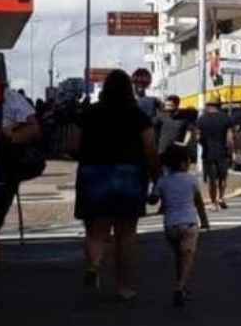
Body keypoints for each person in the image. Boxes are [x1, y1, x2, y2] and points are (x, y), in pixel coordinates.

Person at [73, 70, 158, 301]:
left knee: (96, 231)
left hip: (93, 173)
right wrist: (155, 175)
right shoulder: (138, 115)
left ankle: (95, 264)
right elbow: (150, 147)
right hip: (129, 174)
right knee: (126, 234)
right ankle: (124, 286)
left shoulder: (88, 113)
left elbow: (74, 144)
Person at [150, 145, 209, 307]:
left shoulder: (163, 181)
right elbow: (199, 203)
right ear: (183, 163)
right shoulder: (191, 179)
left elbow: (153, 199)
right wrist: (204, 221)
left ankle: (182, 286)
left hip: (170, 226)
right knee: (188, 257)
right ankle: (180, 286)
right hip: (189, 223)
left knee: (179, 257)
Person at [0, 84, 41, 271]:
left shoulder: (10, 97)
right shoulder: (11, 97)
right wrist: (12, 135)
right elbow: (34, 128)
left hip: (2, 172)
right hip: (3, 173)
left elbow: (34, 128)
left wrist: (10, 136)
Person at [197, 101, 233, 210]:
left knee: (211, 179)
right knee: (223, 177)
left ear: (208, 106)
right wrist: (231, 152)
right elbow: (230, 138)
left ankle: (213, 202)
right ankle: (221, 197)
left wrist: (203, 145)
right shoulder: (226, 118)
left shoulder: (201, 119)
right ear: (219, 106)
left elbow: (198, 137)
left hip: (208, 153)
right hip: (222, 152)